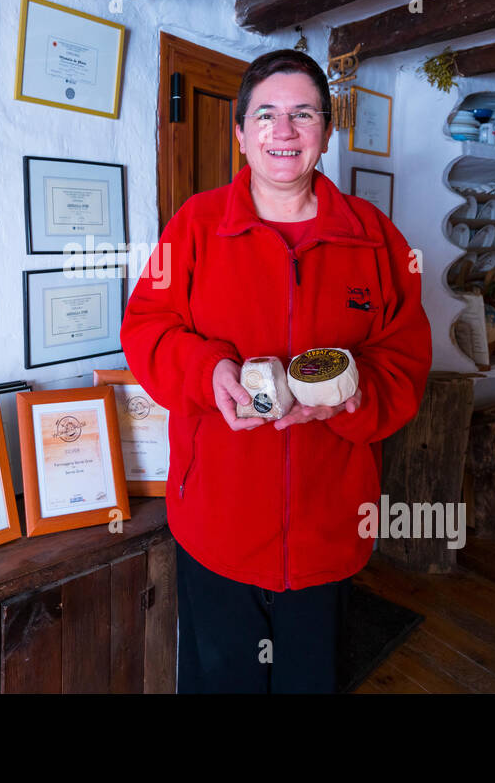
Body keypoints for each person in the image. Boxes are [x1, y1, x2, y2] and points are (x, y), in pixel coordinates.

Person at [119, 49, 431, 693]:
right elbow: (145, 329)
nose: (282, 131)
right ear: (240, 134)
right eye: (265, 114)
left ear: (324, 131)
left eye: (302, 114)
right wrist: (210, 373)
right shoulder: (194, 228)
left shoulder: (379, 241)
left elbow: (405, 360)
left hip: (329, 531)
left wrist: (349, 398)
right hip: (217, 525)